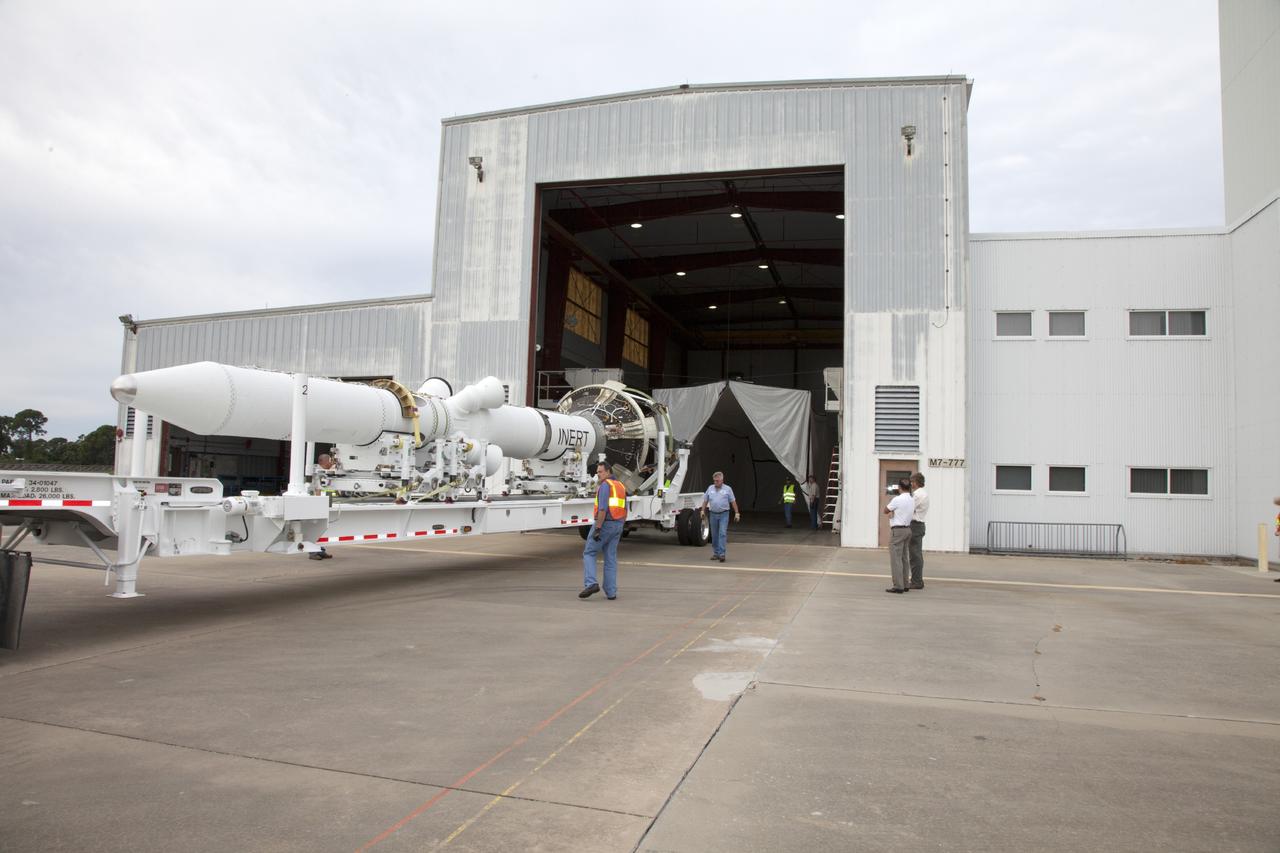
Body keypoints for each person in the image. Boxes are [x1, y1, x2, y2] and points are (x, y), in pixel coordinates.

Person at [579, 461, 626, 600]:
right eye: (597, 472)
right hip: (618, 524)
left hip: (605, 524)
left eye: (600, 472)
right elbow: (625, 507)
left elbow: (603, 509)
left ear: (608, 471)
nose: (597, 474)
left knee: (589, 552)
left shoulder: (605, 485)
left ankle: (591, 583)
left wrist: (598, 528)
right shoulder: (620, 485)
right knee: (610, 558)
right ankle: (611, 592)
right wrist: (620, 525)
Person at [700, 471, 740, 563]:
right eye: (714, 481)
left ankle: (722, 554)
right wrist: (702, 510)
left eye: (717, 481)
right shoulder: (710, 488)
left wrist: (737, 513)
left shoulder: (728, 489)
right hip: (713, 514)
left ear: (722, 480)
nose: (715, 483)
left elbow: (733, 501)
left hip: (724, 514)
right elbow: (705, 500)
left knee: (722, 533)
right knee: (714, 535)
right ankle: (716, 553)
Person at [883, 479, 915, 593]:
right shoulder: (912, 500)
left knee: (896, 559)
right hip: (907, 529)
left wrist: (892, 514)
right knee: (904, 558)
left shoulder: (897, 499)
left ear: (899, 488)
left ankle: (898, 586)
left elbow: (885, 510)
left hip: (897, 531)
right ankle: (906, 584)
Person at [908, 472, 929, 589]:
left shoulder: (918, 495)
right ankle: (917, 579)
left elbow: (909, 507)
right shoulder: (923, 494)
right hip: (919, 525)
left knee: (914, 555)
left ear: (916, 482)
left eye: (912, 482)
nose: (911, 484)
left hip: (915, 525)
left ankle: (917, 581)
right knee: (916, 554)